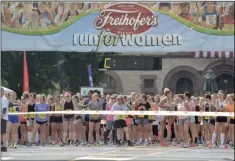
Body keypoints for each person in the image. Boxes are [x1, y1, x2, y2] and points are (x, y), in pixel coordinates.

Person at [1, 88, 9, 152]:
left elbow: (4, 109)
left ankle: (4, 146)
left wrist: (1, 116)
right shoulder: (2, 98)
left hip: (2, 118)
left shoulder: (3, 99)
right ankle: (3, 146)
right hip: (3, 118)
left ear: (2, 92)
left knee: (3, 133)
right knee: (2, 133)